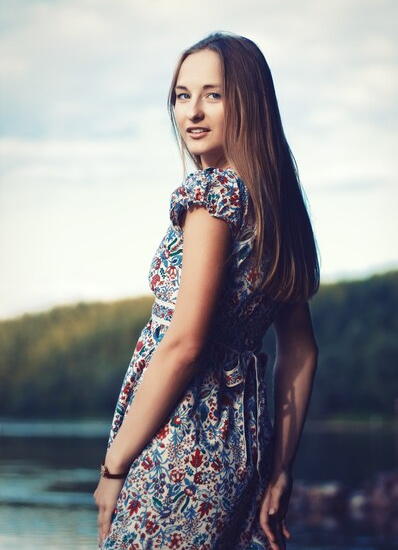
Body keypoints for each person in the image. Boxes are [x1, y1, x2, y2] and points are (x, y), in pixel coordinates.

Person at [94, 32, 319, 550]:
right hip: (247, 450)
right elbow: (301, 348)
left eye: (213, 95)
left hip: (179, 444)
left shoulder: (212, 194)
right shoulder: (279, 208)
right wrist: (281, 470)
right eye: (181, 95)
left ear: (249, 102)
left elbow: (184, 344)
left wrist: (113, 467)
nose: (193, 111)